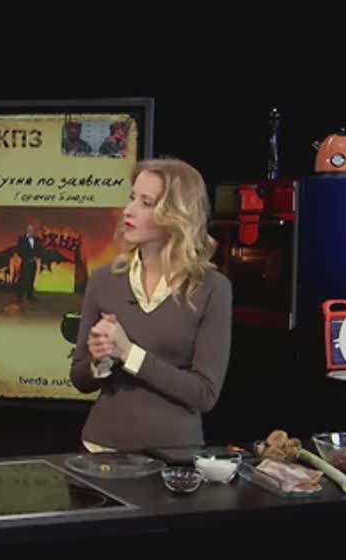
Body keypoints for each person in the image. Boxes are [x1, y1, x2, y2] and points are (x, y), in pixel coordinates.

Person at [69, 157, 232, 452]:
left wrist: (129, 353)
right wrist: (101, 359)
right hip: (101, 451)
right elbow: (80, 379)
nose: (129, 210)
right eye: (132, 198)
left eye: (146, 202)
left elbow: (204, 394)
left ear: (176, 214)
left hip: (174, 457)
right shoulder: (104, 280)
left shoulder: (213, 289)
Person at [15, 223, 41, 303]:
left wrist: (37, 256)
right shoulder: (22, 240)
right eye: (29, 229)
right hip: (25, 263)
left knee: (31, 280)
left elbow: (39, 249)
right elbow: (18, 250)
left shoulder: (36, 240)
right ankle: (20, 297)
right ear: (27, 230)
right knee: (23, 280)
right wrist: (25, 257)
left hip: (33, 263)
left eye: (32, 230)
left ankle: (30, 296)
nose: (31, 231)